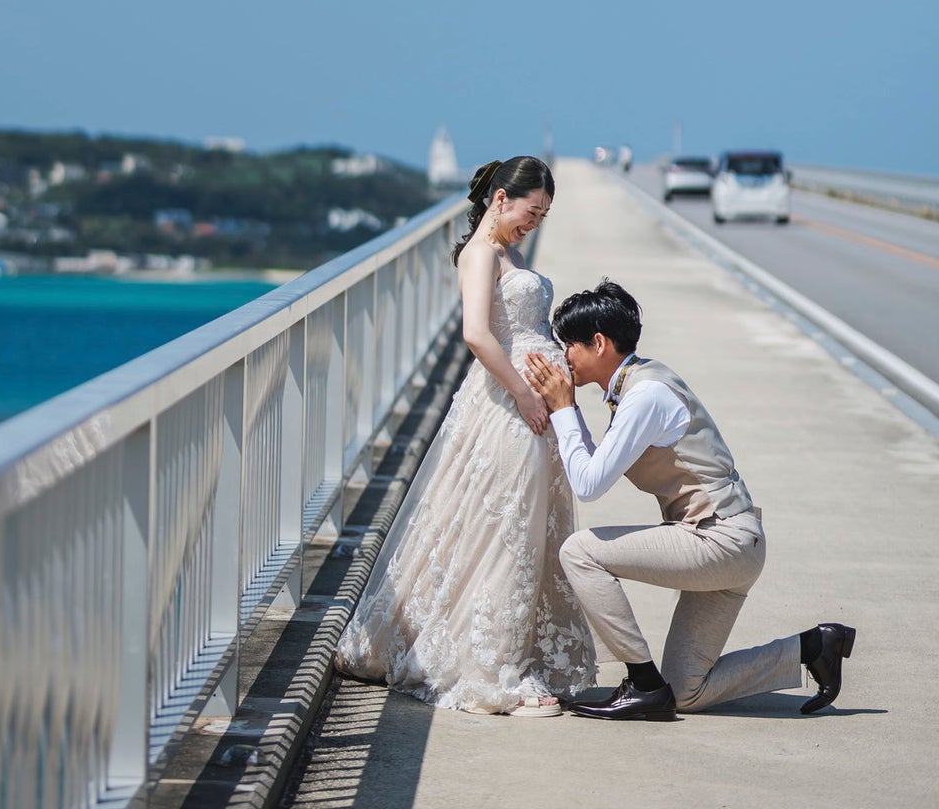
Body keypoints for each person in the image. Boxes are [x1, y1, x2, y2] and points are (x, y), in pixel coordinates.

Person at [335, 156, 597, 715]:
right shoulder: (481, 254)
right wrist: (526, 394)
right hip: (506, 404)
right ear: (500, 198)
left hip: (535, 405)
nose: (536, 222)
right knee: (503, 524)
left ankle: (516, 649)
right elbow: (476, 334)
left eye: (545, 215)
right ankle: (493, 663)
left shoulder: (511, 252)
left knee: (524, 526)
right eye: (532, 211)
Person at [525, 279, 855, 721]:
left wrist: (564, 409)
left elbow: (589, 484)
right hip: (731, 542)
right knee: (686, 692)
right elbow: (595, 463)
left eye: (569, 346)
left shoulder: (645, 396)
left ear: (599, 343)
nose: (563, 357)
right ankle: (814, 647)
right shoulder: (641, 382)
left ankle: (641, 684)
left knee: (580, 552)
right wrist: (568, 409)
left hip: (719, 541)